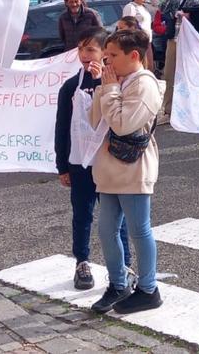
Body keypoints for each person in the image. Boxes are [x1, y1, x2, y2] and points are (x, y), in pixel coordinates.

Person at [88, 28, 163, 315]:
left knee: (138, 229)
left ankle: (148, 288)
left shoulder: (144, 84)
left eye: (113, 56)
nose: (108, 62)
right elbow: (95, 119)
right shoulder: (116, 80)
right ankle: (118, 283)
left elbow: (122, 124)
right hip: (109, 167)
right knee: (107, 230)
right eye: (105, 56)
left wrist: (108, 89)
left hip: (132, 167)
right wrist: (103, 85)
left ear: (134, 55)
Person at [54, 28, 132, 291]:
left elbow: (122, 116)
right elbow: (62, 127)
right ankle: (82, 262)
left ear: (104, 53)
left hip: (109, 161)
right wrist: (62, 165)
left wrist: (103, 84)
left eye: (90, 49)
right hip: (80, 162)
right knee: (82, 214)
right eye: (80, 49)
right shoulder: (69, 86)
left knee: (116, 217)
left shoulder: (118, 81)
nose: (84, 55)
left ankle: (123, 266)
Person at [122, 0, 156, 71]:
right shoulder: (131, 6)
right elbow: (127, 24)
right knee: (142, 67)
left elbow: (157, 5)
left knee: (150, 66)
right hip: (137, 42)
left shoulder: (144, 7)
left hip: (147, 41)